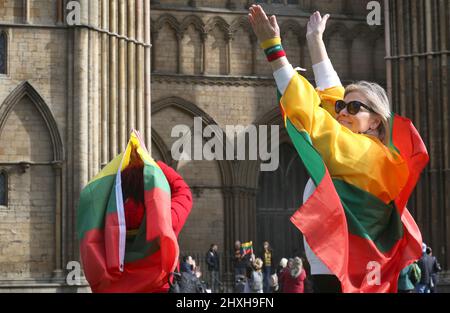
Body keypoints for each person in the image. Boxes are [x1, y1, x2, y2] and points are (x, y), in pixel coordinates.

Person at [248, 5, 428, 293]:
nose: (343, 112)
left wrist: (274, 50)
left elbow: (315, 119)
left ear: (376, 122)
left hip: (340, 279)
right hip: (335, 274)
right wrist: (316, 41)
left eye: (354, 107)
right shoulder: (360, 149)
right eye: (343, 106)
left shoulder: (369, 156)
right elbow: (333, 98)